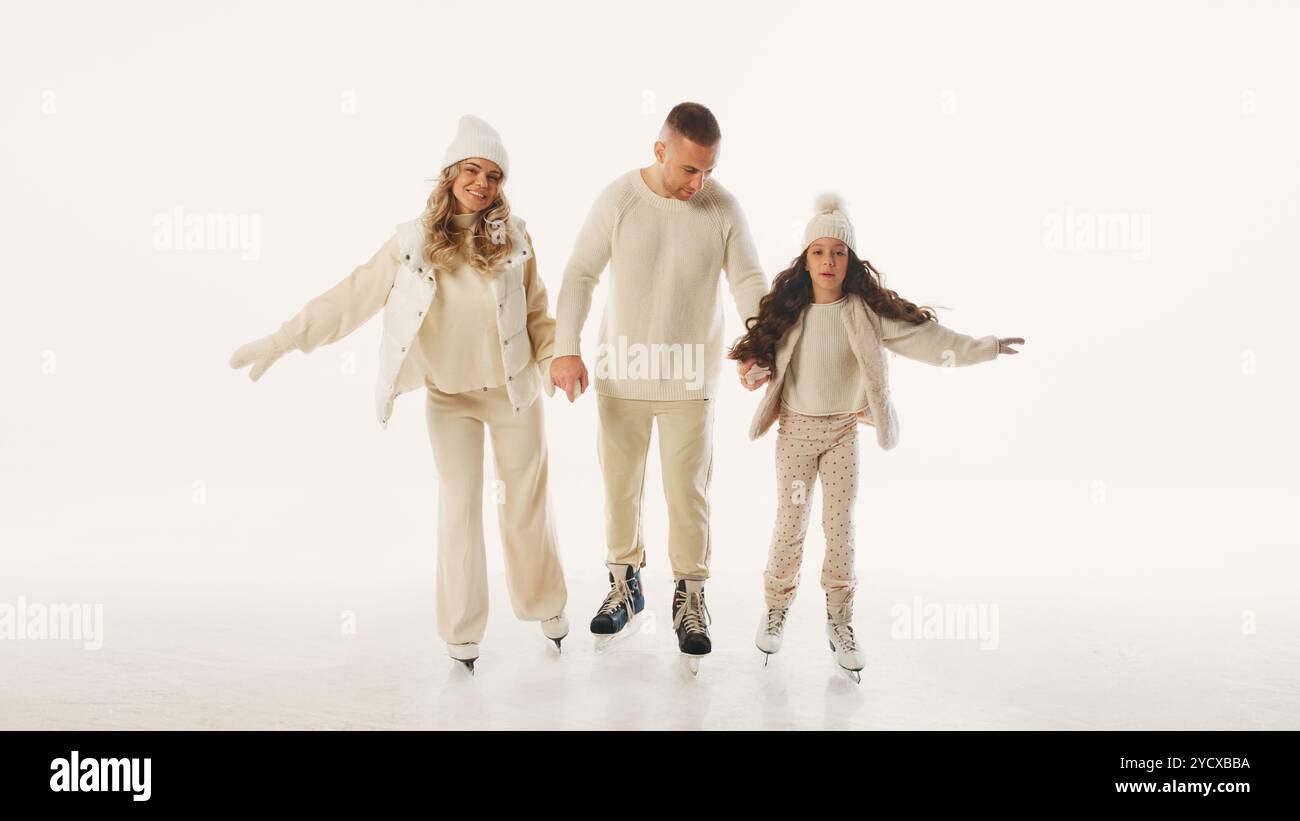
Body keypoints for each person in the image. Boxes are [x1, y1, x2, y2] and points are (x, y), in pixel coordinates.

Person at [229, 115, 569, 674]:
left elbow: (538, 316)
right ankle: (462, 633)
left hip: (514, 394)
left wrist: (557, 362)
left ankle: (546, 606)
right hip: (449, 399)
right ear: (451, 172)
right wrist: (285, 339)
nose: (481, 183)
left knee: (524, 506)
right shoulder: (411, 242)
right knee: (459, 509)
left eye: (493, 175)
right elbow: (352, 297)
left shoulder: (516, 237)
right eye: (471, 170)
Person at [728, 194, 1024, 681]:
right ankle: (777, 606)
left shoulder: (864, 313)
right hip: (797, 432)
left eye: (838, 253)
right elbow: (757, 363)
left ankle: (840, 620)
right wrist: (753, 370)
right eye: (819, 252)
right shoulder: (788, 312)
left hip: (843, 430)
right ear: (805, 260)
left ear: (851, 261)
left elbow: (931, 341)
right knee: (791, 520)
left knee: (839, 525)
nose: (828, 262)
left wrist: (984, 348)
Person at [549, 102, 769, 663]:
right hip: (622, 375)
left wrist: (757, 346)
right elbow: (578, 272)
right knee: (620, 490)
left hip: (690, 382)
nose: (699, 183)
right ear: (660, 150)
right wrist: (566, 349)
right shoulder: (621, 198)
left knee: (687, 493)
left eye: (709, 172)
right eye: (689, 169)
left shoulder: (721, 207)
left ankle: (690, 595)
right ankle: (625, 585)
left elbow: (747, 278)